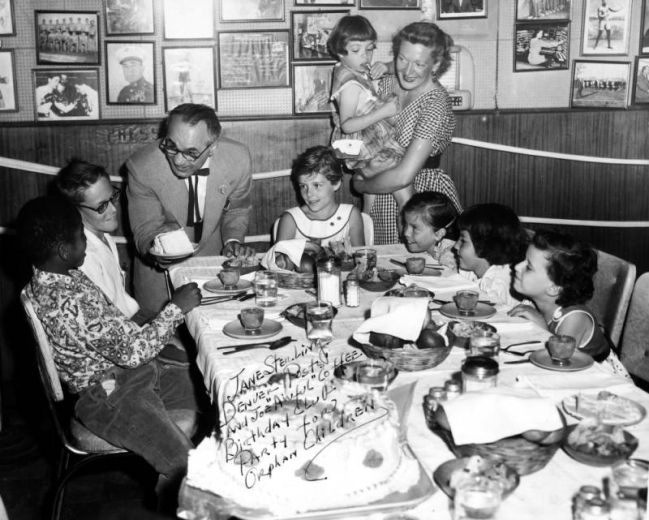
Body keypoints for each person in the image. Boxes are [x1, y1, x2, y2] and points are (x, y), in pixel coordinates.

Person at [16, 196, 204, 511]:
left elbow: (114, 331)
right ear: (64, 250)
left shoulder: (56, 277)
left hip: (130, 376)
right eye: (80, 238)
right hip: (110, 396)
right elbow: (131, 354)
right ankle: (183, 497)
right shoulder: (70, 301)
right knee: (186, 468)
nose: (85, 246)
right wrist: (175, 309)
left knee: (205, 387)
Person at [126, 103, 254, 313]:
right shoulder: (142, 168)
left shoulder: (237, 159)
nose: (177, 159)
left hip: (213, 271)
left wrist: (233, 240)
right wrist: (164, 247)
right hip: (159, 280)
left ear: (212, 147)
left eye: (191, 153)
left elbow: (238, 208)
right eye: (171, 146)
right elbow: (145, 231)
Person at [352, 22, 461, 245]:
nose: (408, 71)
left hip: (421, 198)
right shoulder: (387, 83)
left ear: (436, 64)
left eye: (419, 64)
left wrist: (361, 184)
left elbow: (404, 176)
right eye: (402, 59)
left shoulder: (435, 103)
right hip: (378, 197)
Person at [508, 229, 630, 378]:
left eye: (528, 267)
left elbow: (558, 362)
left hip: (599, 379)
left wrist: (541, 326)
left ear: (554, 288)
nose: (517, 267)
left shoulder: (574, 318)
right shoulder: (534, 303)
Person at [327, 16, 409, 214]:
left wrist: (384, 68)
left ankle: (367, 224)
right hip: (367, 143)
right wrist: (385, 111)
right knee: (404, 191)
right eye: (356, 50)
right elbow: (347, 124)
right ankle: (409, 221)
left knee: (369, 196)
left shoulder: (349, 70)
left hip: (364, 144)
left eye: (370, 48)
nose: (365, 56)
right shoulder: (350, 84)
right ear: (340, 51)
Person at [275, 145, 365, 248]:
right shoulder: (291, 219)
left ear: (335, 183)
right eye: (303, 186)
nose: (309, 194)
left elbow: (361, 258)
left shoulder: (351, 215)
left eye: (317, 185)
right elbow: (277, 261)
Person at [454, 203, 528, 306]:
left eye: (463, 241)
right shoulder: (472, 270)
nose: (456, 246)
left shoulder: (498, 286)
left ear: (484, 245)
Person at [401, 191, 458, 269]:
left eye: (414, 228)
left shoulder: (450, 259)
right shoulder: (430, 247)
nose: (406, 233)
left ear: (438, 234)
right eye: (405, 223)